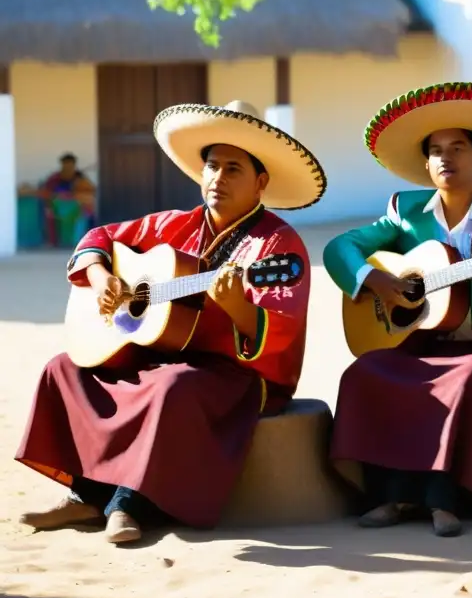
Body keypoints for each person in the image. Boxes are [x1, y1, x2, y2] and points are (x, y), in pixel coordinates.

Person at [16, 100, 325, 544]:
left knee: (171, 387)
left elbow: (280, 326)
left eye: (233, 169)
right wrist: (102, 276)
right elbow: (99, 237)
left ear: (261, 182)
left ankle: (128, 503)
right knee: (65, 368)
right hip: (164, 353)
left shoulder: (278, 245)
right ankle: (84, 491)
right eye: (212, 166)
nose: (217, 178)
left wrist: (238, 305)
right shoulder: (172, 225)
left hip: (240, 374)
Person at [323, 82, 472, 537]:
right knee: (364, 372)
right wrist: (379, 283)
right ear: (426, 163)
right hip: (416, 341)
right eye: (435, 150)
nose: (446, 158)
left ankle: (442, 501)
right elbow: (340, 248)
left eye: (458, 148)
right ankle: (390, 495)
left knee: (468, 378)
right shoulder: (404, 211)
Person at [39, 153, 97, 246]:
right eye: (66, 165)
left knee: (90, 210)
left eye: (71, 166)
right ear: (62, 165)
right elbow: (47, 193)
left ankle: (90, 240)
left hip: (77, 207)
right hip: (59, 207)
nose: (68, 168)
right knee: (48, 213)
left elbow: (91, 190)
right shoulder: (55, 178)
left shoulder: (79, 177)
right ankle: (53, 242)